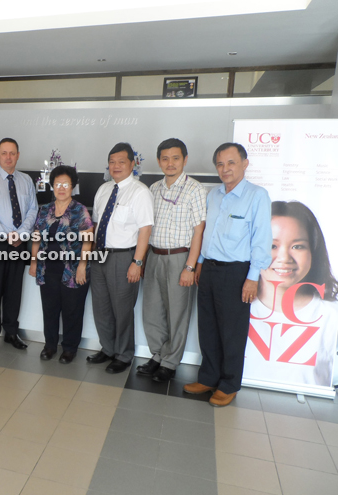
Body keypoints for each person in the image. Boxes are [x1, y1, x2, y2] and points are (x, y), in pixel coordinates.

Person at [184, 142, 272, 407]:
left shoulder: (257, 195)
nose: (225, 169)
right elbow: (207, 232)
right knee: (208, 327)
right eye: (220, 164)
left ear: (245, 163)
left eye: (231, 162)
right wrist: (199, 263)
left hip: (237, 272)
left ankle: (230, 383)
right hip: (208, 268)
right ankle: (208, 377)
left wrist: (253, 277)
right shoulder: (213, 195)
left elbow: (261, 239)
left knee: (232, 331)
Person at [247, 201, 338, 386]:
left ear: (314, 251)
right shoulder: (234, 305)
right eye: (272, 245)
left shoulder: (332, 315)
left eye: (297, 246)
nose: (284, 258)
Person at [138, 139, 206, 382]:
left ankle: (170, 362)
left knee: (177, 313)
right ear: (158, 161)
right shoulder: (153, 189)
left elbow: (199, 231)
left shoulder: (195, 189)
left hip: (180, 258)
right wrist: (143, 258)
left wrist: (190, 266)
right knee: (152, 311)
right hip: (154, 255)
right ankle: (157, 355)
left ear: (185, 160)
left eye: (175, 158)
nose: (170, 163)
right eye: (165, 158)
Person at [87, 143, 153, 373]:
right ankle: (107, 348)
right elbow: (95, 224)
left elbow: (145, 229)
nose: (116, 166)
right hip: (100, 255)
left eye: (121, 162)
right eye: (112, 162)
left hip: (124, 257)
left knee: (122, 309)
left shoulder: (140, 192)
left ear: (132, 164)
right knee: (101, 307)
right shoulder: (103, 189)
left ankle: (124, 355)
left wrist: (137, 262)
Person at [0, 138, 38, 353]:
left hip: (20, 244)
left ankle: (11, 333)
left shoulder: (26, 180)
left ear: (18, 155)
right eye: (4, 153)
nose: (8, 157)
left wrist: (20, 234)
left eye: (12, 153)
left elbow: (32, 210)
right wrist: (7, 235)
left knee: (14, 290)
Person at [29, 165, 93, 364]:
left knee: (72, 310)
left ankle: (69, 348)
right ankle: (50, 345)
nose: (62, 188)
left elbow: (88, 240)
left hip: (72, 270)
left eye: (66, 184)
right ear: (52, 186)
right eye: (58, 184)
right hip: (47, 269)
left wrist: (82, 266)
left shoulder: (79, 210)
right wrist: (33, 262)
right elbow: (37, 238)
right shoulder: (45, 210)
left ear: (72, 186)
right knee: (50, 309)